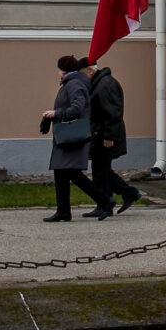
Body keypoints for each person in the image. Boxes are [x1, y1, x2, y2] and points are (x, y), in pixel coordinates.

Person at [41, 53, 101, 222]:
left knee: (72, 173)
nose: (58, 73)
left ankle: (104, 200)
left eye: (59, 69)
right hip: (67, 135)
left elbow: (77, 108)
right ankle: (63, 211)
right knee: (62, 172)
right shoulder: (72, 83)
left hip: (72, 135)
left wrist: (56, 113)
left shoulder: (73, 84)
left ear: (64, 70)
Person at [84, 59, 141, 218]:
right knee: (101, 170)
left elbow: (113, 112)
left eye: (82, 73)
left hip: (105, 135)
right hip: (99, 133)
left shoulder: (105, 85)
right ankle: (122, 196)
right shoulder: (100, 83)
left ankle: (108, 203)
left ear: (90, 71)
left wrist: (109, 136)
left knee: (101, 170)